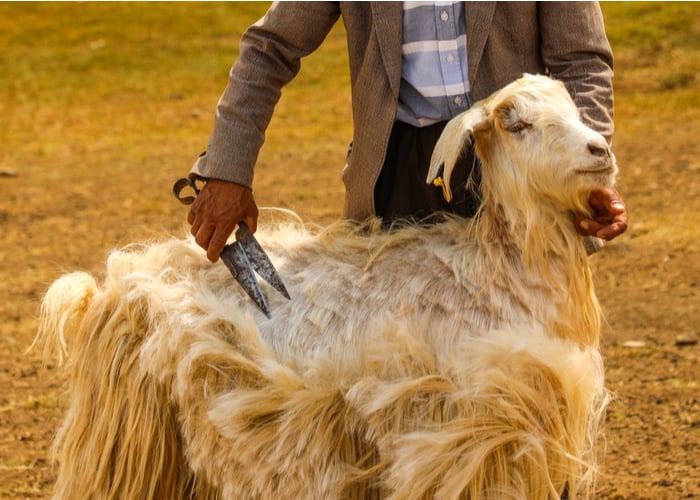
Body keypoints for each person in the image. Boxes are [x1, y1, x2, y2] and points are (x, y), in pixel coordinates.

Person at [184, 2, 628, 263]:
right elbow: (270, 48)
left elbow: (581, 61)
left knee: (519, 376)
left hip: (517, 173)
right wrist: (227, 170)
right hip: (397, 182)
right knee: (400, 387)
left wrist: (584, 175)